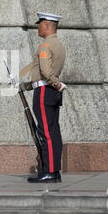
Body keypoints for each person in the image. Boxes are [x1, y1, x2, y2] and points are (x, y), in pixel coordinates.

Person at [19, 12, 66, 183]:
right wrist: (24, 84)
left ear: (46, 25)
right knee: (53, 131)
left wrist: (56, 83)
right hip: (51, 92)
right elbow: (41, 73)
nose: (38, 27)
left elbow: (46, 73)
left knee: (45, 132)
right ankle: (54, 171)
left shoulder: (45, 46)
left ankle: (50, 172)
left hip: (46, 92)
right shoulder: (59, 45)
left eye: (39, 24)